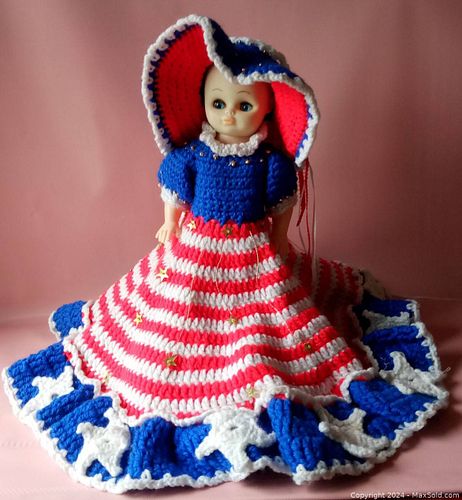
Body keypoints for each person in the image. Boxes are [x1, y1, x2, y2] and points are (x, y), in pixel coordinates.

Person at [2, 15, 448, 493]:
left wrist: (280, 241)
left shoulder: (270, 162)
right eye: (218, 103)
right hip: (195, 251)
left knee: (280, 315)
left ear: (267, 109)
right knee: (167, 310)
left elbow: (282, 205)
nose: (229, 115)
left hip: (254, 254)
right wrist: (171, 224)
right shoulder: (192, 155)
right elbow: (174, 192)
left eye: (244, 105)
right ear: (202, 103)